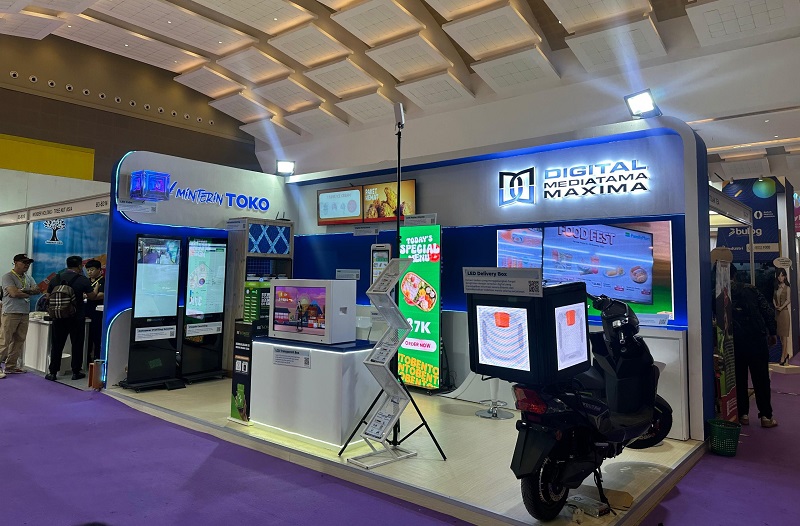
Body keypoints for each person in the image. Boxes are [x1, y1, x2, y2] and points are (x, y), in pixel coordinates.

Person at [729, 264, 778, 428]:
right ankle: (766, 416)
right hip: (756, 339)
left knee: (739, 378)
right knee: (761, 378)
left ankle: (742, 414)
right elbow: (767, 311)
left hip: (735, 341)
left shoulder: (720, 294)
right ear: (735, 275)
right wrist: (772, 332)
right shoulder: (751, 289)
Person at [45, 256, 99, 382]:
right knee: (77, 344)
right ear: (80, 266)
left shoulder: (56, 278)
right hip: (76, 317)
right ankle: (76, 372)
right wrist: (96, 288)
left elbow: (48, 296)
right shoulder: (82, 280)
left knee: (57, 345)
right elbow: (92, 296)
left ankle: (53, 372)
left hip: (58, 317)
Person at [0, 253, 41, 377]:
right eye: (24, 262)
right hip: (10, 312)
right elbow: (13, 293)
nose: (27, 265)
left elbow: (37, 290)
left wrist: (22, 291)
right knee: (4, 341)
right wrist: (28, 292)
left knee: (19, 341)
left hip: (24, 312)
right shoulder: (8, 276)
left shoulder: (28, 278)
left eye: (28, 263)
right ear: (16, 262)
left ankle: (11, 366)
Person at [84, 260, 105, 364]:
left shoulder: (103, 281)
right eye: (88, 270)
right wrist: (92, 294)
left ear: (99, 270)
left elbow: (100, 296)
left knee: (97, 336)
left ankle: (97, 359)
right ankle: (86, 359)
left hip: (98, 312)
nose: (89, 272)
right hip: (86, 311)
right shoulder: (86, 281)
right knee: (87, 337)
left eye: (92, 270)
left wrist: (90, 296)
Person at [773, 267, 792, 365]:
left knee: (784, 336)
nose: (780, 278)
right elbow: (773, 298)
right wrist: (775, 306)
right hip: (778, 313)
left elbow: (788, 300)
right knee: (780, 335)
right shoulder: (776, 287)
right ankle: (786, 353)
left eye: (782, 276)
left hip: (784, 313)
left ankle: (783, 357)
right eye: (779, 276)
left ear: (785, 277)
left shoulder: (787, 288)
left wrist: (781, 307)